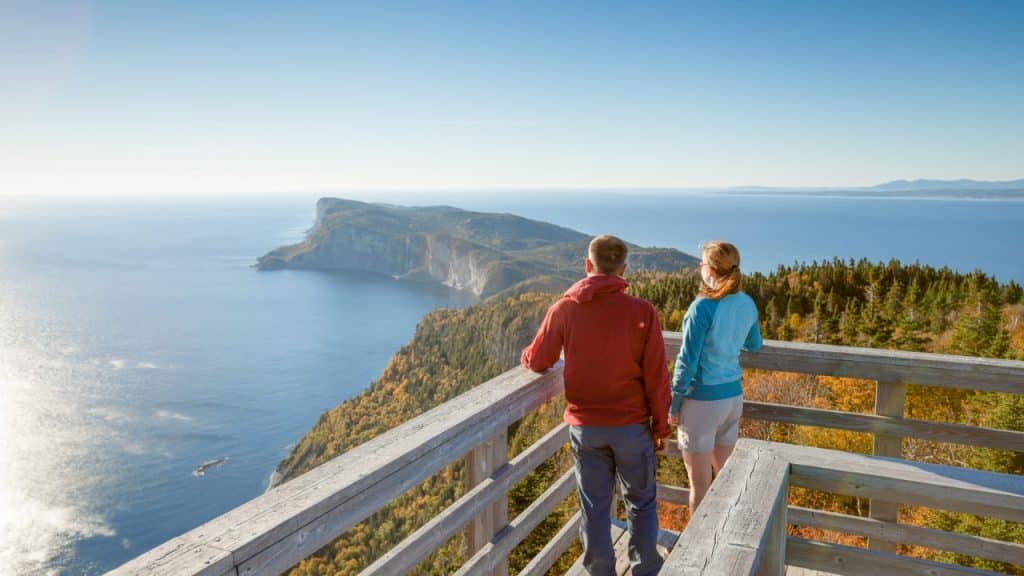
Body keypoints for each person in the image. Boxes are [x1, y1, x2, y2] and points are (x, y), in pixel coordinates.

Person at [522, 234, 671, 576]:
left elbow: (539, 359)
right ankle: (645, 569)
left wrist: (526, 356)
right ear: (623, 270)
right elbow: (656, 377)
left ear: (588, 265)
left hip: (586, 428)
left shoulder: (565, 308)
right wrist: (661, 427)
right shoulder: (642, 312)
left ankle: (599, 572)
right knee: (642, 503)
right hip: (632, 427)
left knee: (594, 507)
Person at [669, 241, 762, 512]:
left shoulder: (702, 307)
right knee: (726, 481)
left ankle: (697, 553)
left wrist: (674, 403)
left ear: (709, 269)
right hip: (732, 398)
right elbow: (754, 344)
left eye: (701, 264)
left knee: (700, 488)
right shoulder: (746, 302)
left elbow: (687, 361)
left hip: (702, 403)